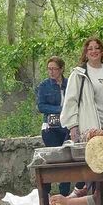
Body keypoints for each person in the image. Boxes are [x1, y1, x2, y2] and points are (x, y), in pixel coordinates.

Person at [61, 38, 103, 142]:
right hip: (91, 128)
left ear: (102, 52)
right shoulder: (79, 74)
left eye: (97, 48)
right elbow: (71, 101)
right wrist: (72, 125)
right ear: (86, 53)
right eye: (90, 49)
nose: (94, 51)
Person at [36, 56, 70, 196]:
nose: (51, 72)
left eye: (54, 69)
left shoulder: (69, 83)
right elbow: (41, 106)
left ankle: (64, 193)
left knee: (67, 159)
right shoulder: (43, 86)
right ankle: (46, 191)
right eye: (49, 69)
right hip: (50, 127)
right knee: (54, 158)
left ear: (61, 69)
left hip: (67, 126)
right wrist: (61, 109)